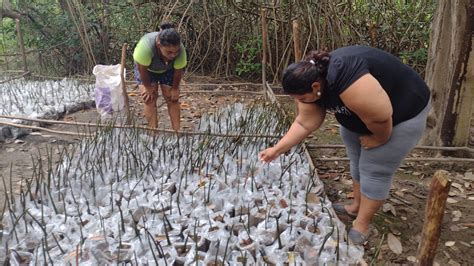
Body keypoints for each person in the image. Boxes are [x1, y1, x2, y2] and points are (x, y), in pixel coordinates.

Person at [259, 45, 430, 245]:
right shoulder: (309, 83)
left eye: (302, 98)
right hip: (359, 115)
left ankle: (362, 224)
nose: (300, 102)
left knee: (374, 168)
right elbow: (304, 123)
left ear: (315, 87)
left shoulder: (348, 78)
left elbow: (381, 119)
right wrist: (276, 150)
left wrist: (379, 139)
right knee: (356, 159)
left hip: (402, 112)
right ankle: (356, 205)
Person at [133, 22, 187, 131]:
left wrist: (175, 89)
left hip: (168, 69)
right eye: (169, 52)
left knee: (172, 98)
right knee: (149, 98)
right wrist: (147, 87)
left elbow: (178, 71)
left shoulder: (180, 50)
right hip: (147, 69)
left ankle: (177, 134)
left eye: (176, 52)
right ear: (159, 44)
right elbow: (142, 69)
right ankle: (153, 133)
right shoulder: (145, 47)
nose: (173, 55)